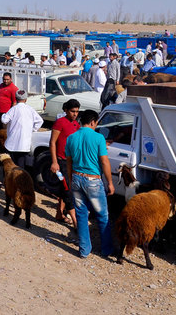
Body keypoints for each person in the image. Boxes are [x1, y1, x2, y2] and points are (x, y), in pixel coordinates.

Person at [66, 109, 114, 258]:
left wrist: (70, 179)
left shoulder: (71, 138)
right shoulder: (99, 138)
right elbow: (104, 162)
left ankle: (84, 250)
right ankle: (106, 250)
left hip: (76, 178)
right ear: (93, 122)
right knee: (102, 215)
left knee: (81, 215)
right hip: (93, 180)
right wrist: (110, 182)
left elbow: (69, 163)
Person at [49, 99, 80, 228]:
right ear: (66, 110)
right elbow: (52, 143)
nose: (75, 114)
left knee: (65, 188)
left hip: (71, 163)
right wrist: (54, 162)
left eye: (77, 112)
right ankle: (75, 222)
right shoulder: (60, 123)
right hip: (61, 162)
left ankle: (59, 214)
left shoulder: (76, 125)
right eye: (73, 111)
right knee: (67, 189)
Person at [1, 90, 43, 168]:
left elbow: (4, 120)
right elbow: (40, 121)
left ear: (16, 99)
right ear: (26, 99)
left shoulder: (13, 109)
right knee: (21, 166)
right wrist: (33, 130)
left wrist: (3, 115)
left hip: (12, 143)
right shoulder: (30, 109)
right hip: (24, 144)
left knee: (11, 166)